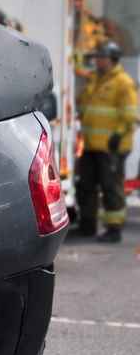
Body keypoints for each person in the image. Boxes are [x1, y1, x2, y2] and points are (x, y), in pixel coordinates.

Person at [75, 40, 138, 242]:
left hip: (111, 146)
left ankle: (114, 229)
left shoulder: (123, 83)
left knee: (111, 188)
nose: (97, 61)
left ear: (111, 60)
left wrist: (117, 135)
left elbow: (131, 115)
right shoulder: (95, 79)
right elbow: (84, 104)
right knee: (85, 186)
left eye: (101, 57)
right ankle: (87, 225)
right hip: (91, 144)